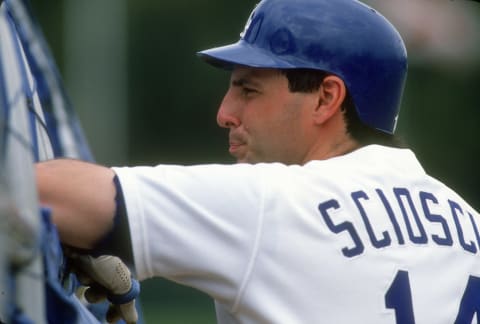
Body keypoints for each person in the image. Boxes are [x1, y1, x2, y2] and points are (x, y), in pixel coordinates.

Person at [36, 0, 480, 323]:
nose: (224, 113)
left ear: (326, 98)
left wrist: (90, 234)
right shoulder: (471, 226)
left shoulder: (280, 203)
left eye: (249, 90)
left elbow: (43, 191)